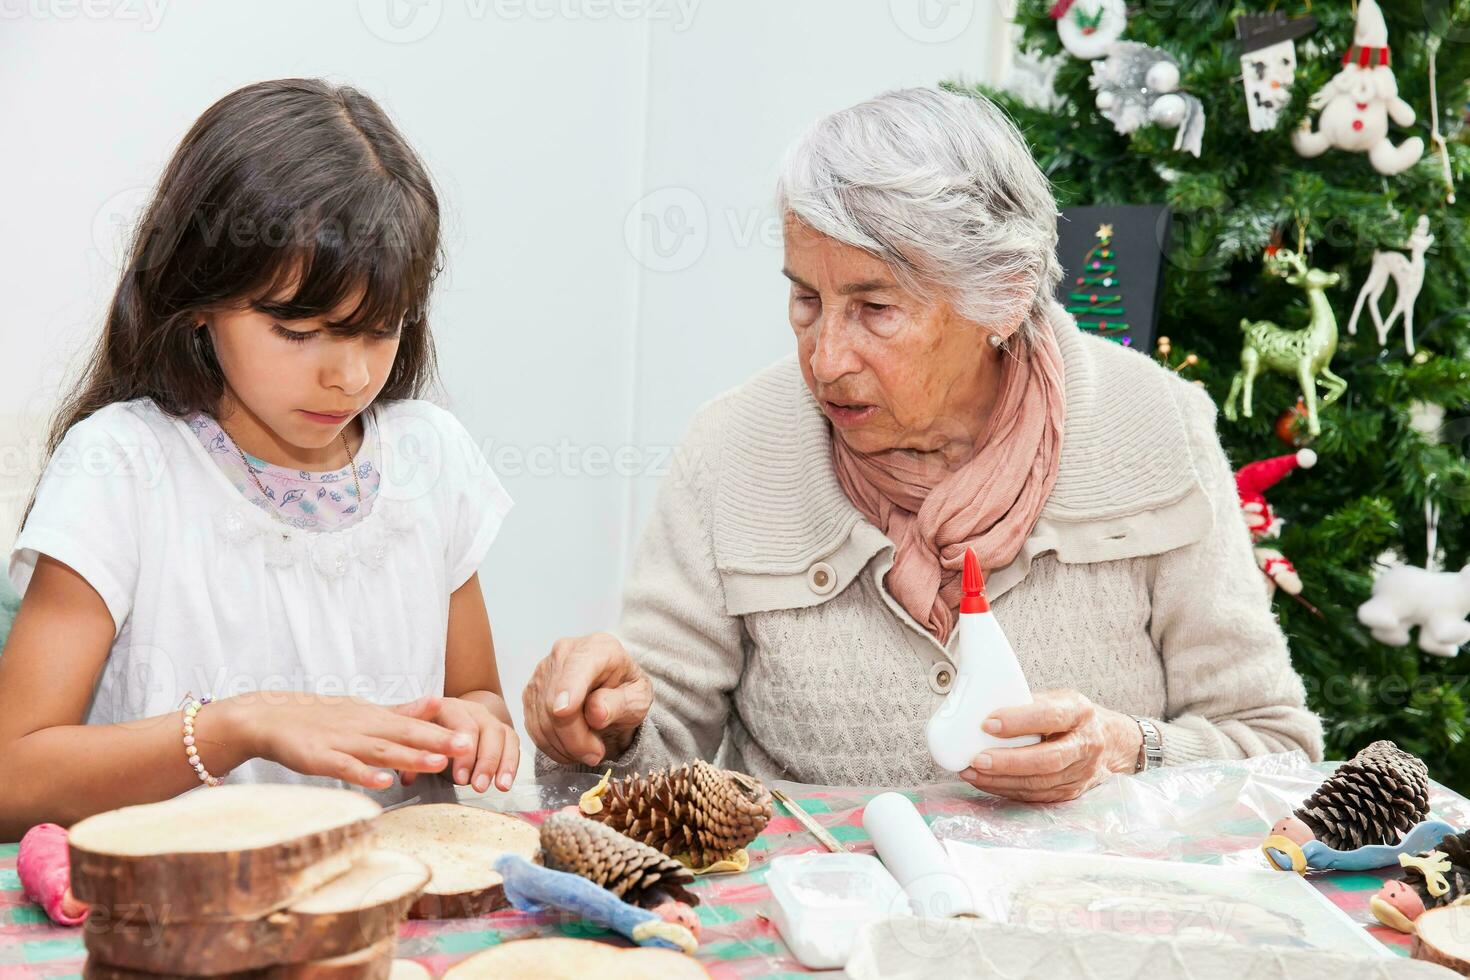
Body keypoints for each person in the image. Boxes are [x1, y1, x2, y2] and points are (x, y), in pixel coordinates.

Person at [525, 87, 1324, 802]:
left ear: (1002, 297)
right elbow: (650, 775)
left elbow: (1276, 753)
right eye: (806, 299)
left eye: (875, 308)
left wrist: (1128, 750)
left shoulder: (1151, 422)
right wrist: (608, 730)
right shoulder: (731, 450)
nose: (826, 358)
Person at [0, 79, 517, 840]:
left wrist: (476, 729)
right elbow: (14, 778)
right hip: (184, 916)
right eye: (301, 331)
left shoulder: (429, 458)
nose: (347, 375)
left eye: (380, 330)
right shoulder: (123, 467)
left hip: (388, 905)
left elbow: (477, 694)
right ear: (200, 297)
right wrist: (238, 725)